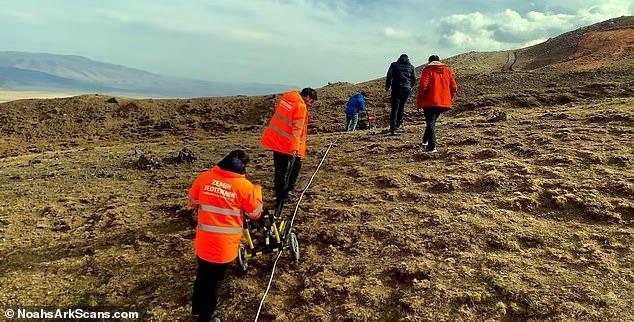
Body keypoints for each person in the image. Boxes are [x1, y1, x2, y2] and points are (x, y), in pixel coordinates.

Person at [187, 150, 263, 322]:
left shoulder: (205, 178)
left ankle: (196, 309)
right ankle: (207, 317)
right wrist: (257, 193)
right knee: (214, 283)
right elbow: (255, 213)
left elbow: (191, 201)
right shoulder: (245, 187)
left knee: (202, 275)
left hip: (203, 243)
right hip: (223, 248)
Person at [261, 88, 317, 208]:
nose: (310, 103)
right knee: (294, 168)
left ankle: (279, 193)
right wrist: (295, 148)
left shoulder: (286, 99)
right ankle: (287, 193)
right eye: (311, 100)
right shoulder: (300, 107)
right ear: (307, 97)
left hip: (277, 142)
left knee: (279, 171)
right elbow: (297, 130)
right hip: (288, 145)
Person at [416, 55, 458, 153]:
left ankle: (432, 146)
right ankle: (425, 140)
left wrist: (420, 100)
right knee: (432, 122)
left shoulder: (427, 70)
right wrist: (449, 98)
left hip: (430, 102)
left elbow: (423, 86)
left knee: (430, 122)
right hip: (443, 102)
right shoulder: (447, 70)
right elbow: (454, 87)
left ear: (429, 62)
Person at [385, 53, 417, 135]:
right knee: (401, 106)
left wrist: (387, 86)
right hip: (406, 89)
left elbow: (389, 75)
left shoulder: (394, 65)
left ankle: (392, 128)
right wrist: (410, 86)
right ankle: (398, 125)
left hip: (396, 88)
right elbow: (414, 79)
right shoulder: (411, 67)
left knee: (394, 108)